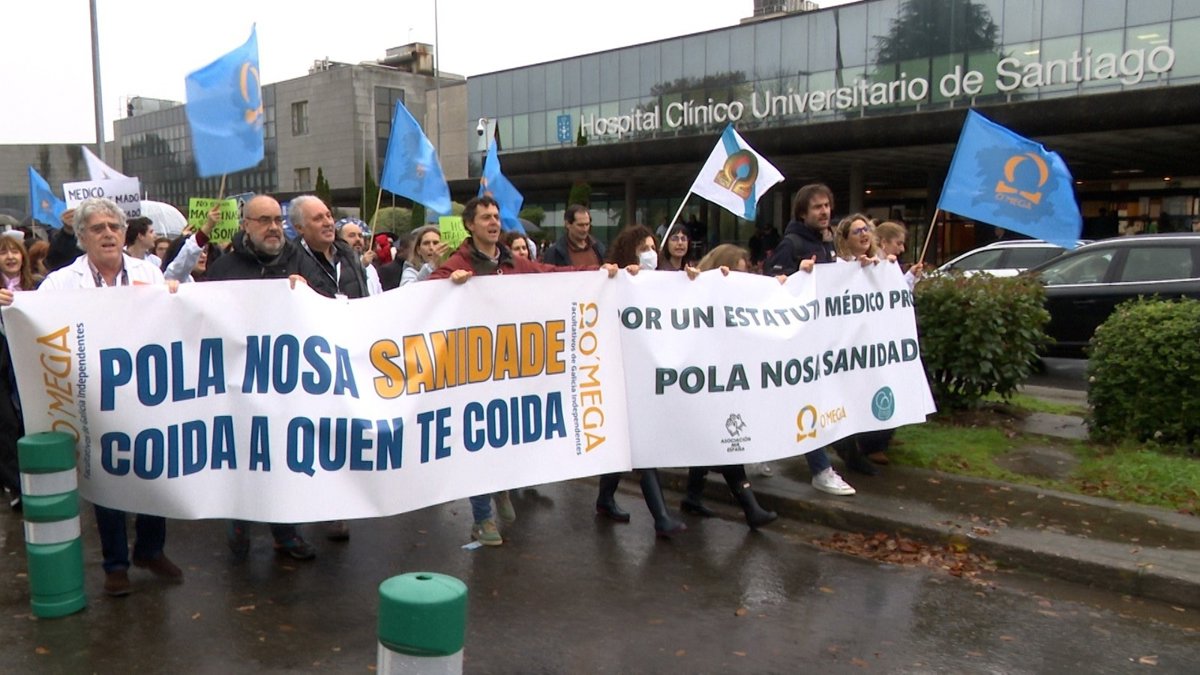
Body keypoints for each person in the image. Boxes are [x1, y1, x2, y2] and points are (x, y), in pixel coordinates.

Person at [429, 196, 627, 546]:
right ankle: (482, 518)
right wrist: (446, 282)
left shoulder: (513, 262)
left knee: (506, 435)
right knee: (476, 444)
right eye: (486, 217)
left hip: (513, 367)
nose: (494, 222)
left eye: (496, 216)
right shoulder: (459, 263)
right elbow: (424, 296)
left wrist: (598, 274)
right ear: (470, 225)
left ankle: (501, 485)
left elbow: (551, 275)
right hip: (475, 371)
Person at [34, 197, 183, 596]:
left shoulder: (149, 273)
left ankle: (150, 549)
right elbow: (33, 322)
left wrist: (173, 295)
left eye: (114, 227)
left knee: (154, 471)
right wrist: (12, 308)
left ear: (123, 233)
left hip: (146, 392)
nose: (108, 234)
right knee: (107, 476)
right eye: (97, 228)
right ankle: (116, 564)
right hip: (94, 395)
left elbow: (174, 320)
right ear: (82, 237)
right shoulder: (61, 283)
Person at [206, 195, 323, 562]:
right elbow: (205, 318)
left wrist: (306, 291)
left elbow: (329, 304)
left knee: (282, 459)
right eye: (264, 220)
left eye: (277, 220)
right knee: (242, 456)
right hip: (238, 381)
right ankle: (238, 525)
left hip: (288, 381)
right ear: (246, 225)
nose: (274, 227)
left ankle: (286, 532)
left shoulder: (301, 259)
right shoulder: (224, 268)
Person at [592, 225, 689, 538]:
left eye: (652, 247)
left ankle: (605, 498)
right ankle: (661, 517)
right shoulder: (615, 281)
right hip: (622, 376)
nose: (650, 254)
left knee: (628, 444)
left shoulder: (662, 281)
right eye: (643, 248)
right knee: (640, 446)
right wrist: (622, 279)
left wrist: (695, 281)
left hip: (648, 377)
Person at [678, 244, 782, 529]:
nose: (741, 279)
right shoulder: (698, 291)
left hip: (724, 379)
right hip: (704, 380)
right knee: (723, 444)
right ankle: (750, 508)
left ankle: (692, 496)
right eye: (736, 272)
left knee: (710, 441)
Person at [761, 184, 856, 496]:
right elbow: (771, 282)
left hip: (822, 338)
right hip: (798, 342)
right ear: (803, 213)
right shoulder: (793, 243)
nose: (824, 211)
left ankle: (757, 450)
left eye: (827, 205)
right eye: (817, 207)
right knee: (807, 403)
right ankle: (820, 469)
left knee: (784, 401)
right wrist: (795, 273)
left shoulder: (826, 243)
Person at [0, 235, 40, 511]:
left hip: (30, 364)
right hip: (2, 369)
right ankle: (15, 485)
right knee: (6, 425)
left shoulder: (36, 285)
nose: (10, 257)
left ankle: (35, 478)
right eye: (3, 252)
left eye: (15, 252)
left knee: (30, 422)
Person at [336, 218, 383, 295]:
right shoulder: (337, 265)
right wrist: (361, 266)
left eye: (360, 236)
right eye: (352, 235)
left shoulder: (371, 268)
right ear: (341, 240)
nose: (358, 239)